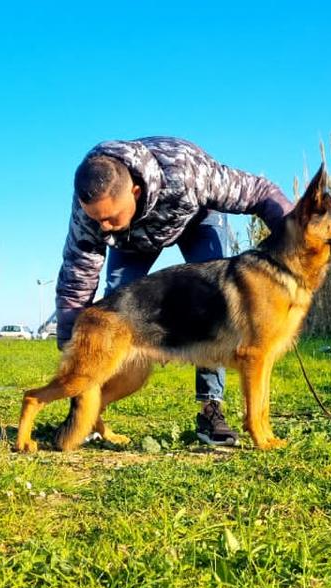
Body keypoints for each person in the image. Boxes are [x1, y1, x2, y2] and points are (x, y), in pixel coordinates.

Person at [55, 136, 292, 446]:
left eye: (111, 217)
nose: (104, 228)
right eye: (97, 220)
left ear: (134, 192)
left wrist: (292, 236)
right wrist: (75, 352)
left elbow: (259, 192)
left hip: (196, 219)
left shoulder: (187, 173)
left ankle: (211, 409)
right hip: (134, 240)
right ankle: (87, 412)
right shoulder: (92, 208)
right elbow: (77, 276)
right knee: (115, 308)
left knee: (214, 305)